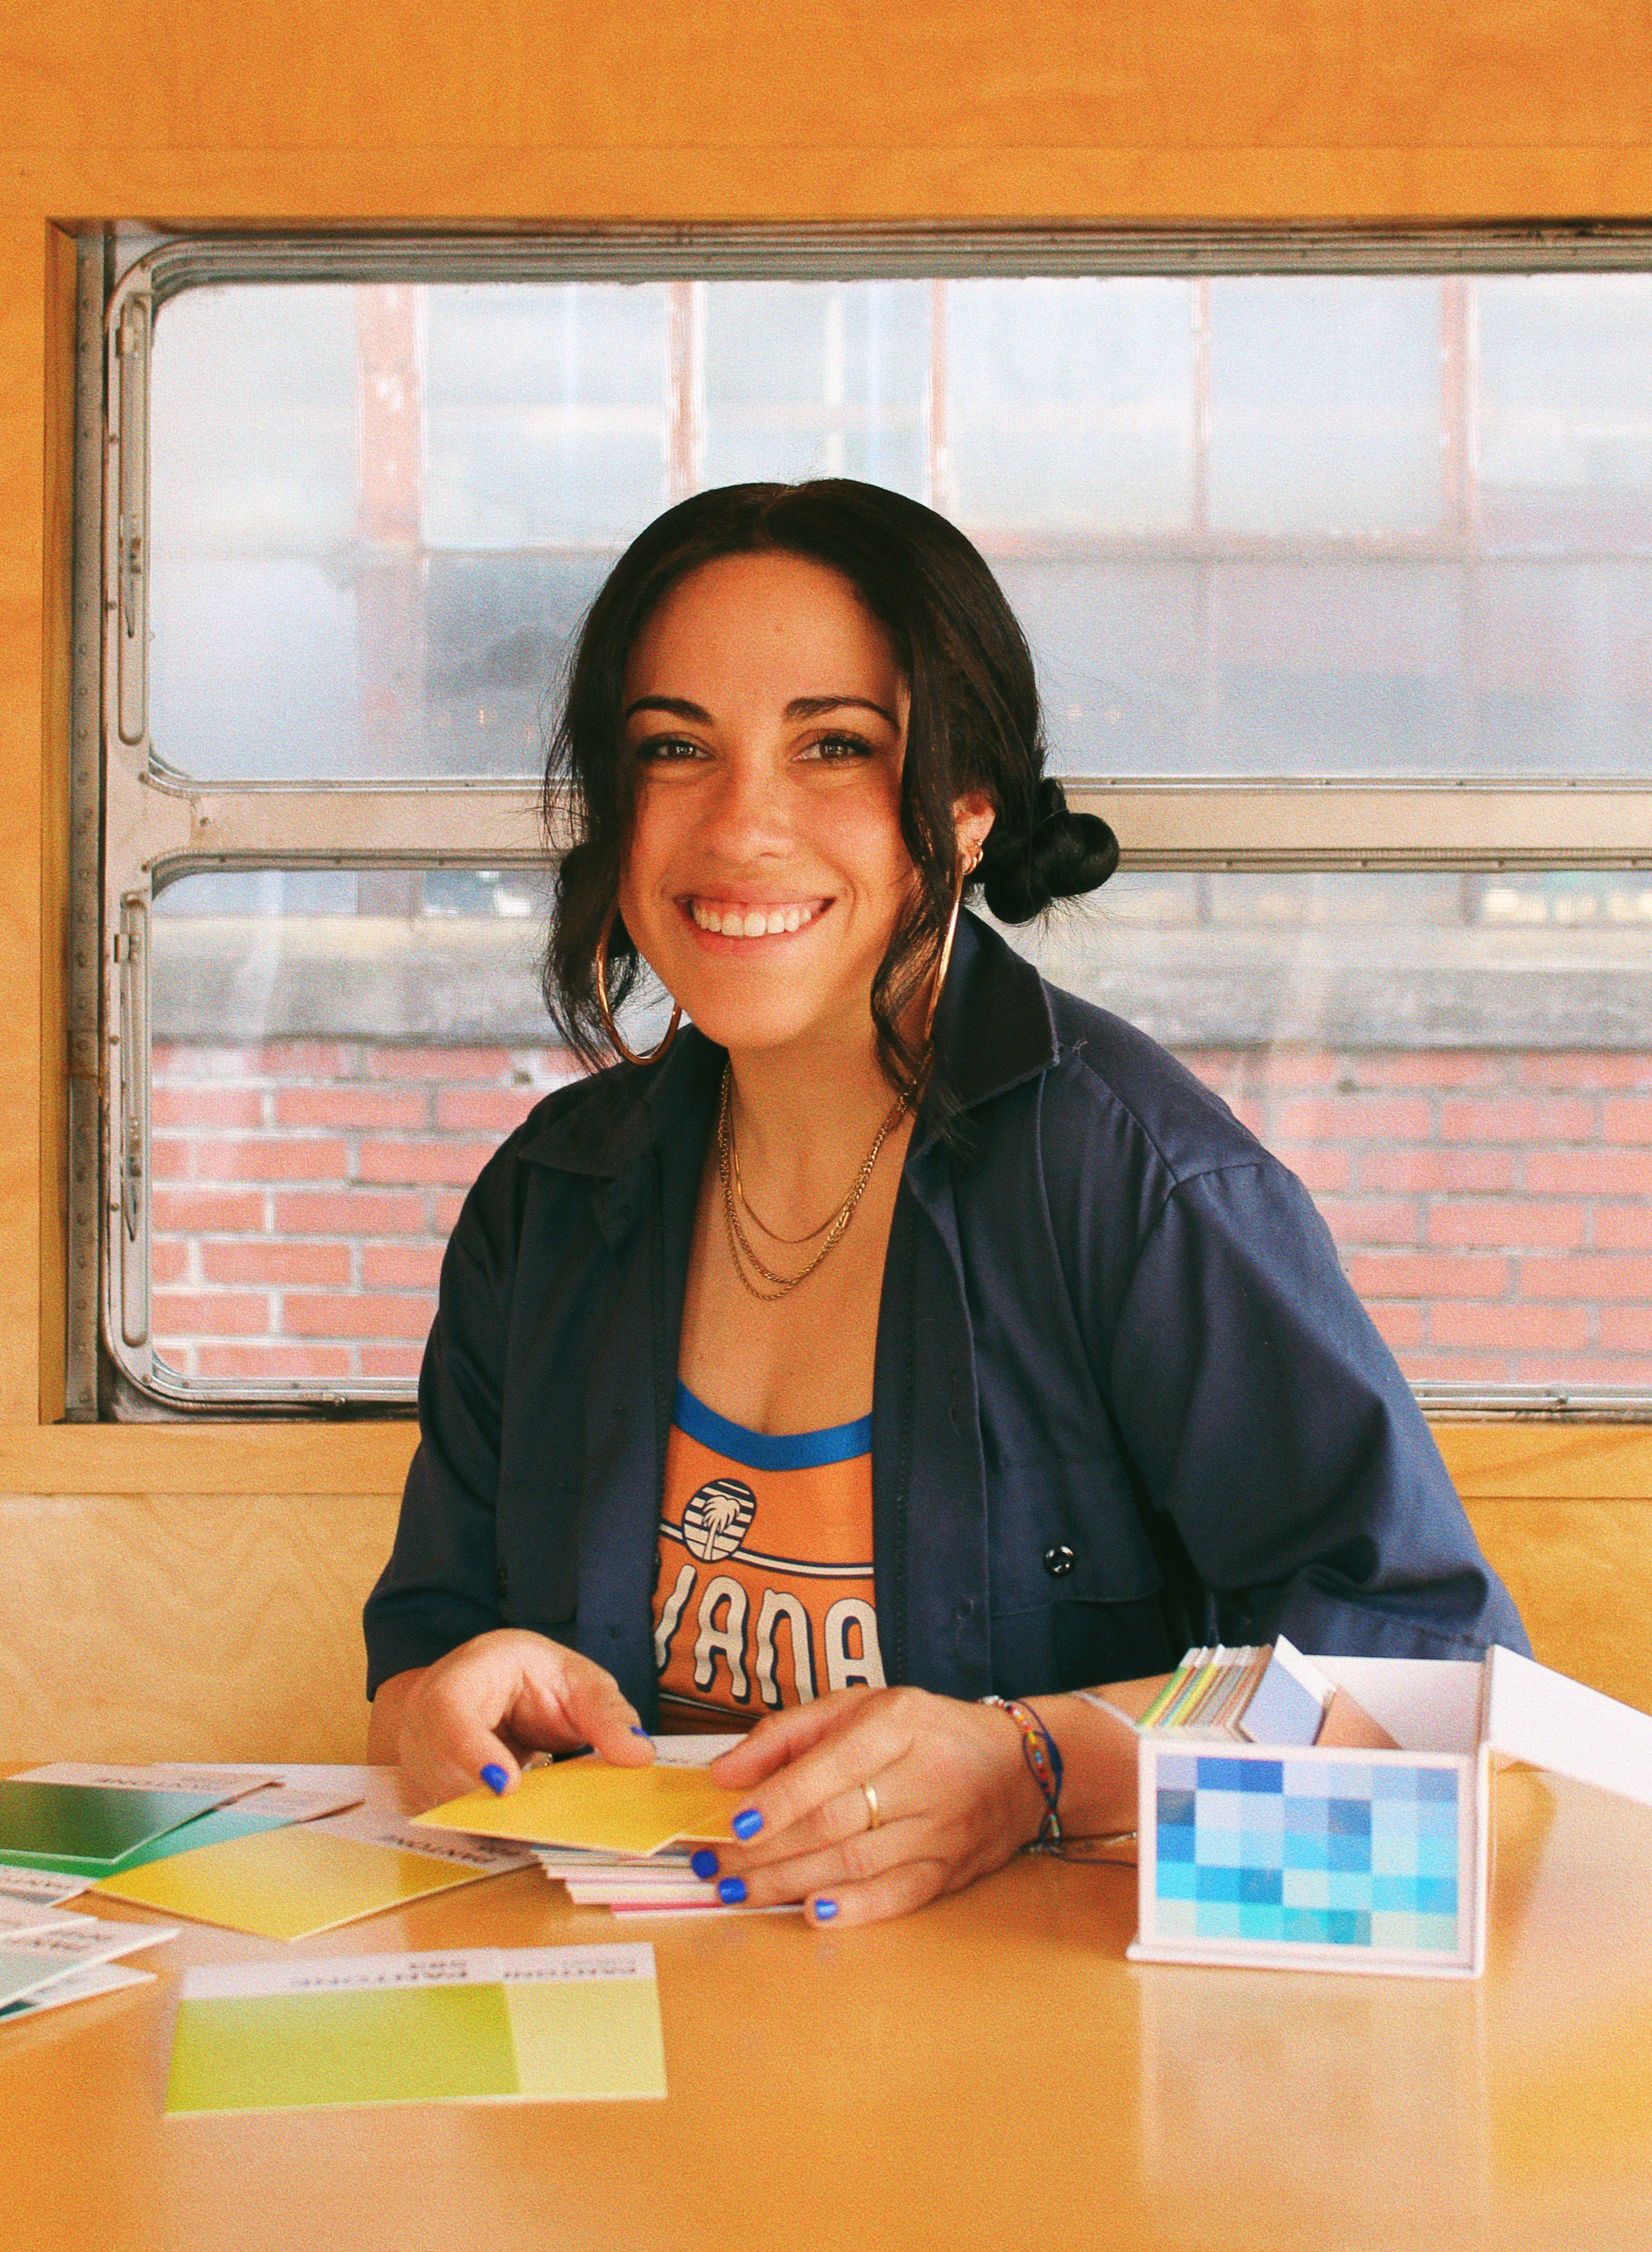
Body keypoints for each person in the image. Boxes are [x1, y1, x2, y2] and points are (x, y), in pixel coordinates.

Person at [365, 478, 1526, 1928]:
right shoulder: (546, 1201)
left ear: (967, 807)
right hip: (621, 2031)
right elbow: (422, 1660)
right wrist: (430, 1708)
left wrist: (1031, 1769)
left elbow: (1438, 1683)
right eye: (675, 748)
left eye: (834, 748)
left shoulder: (1138, 1182)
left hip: (1039, 2065)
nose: (741, 828)